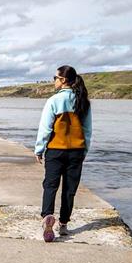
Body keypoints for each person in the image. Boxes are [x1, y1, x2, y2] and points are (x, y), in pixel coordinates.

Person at [34, 65, 92, 242]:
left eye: (55, 78)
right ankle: (64, 224)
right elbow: (87, 131)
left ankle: (47, 217)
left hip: (56, 150)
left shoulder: (53, 101)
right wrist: (84, 150)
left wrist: (39, 149)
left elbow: (45, 128)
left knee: (50, 185)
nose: (54, 81)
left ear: (63, 80)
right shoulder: (83, 101)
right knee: (69, 189)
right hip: (76, 151)